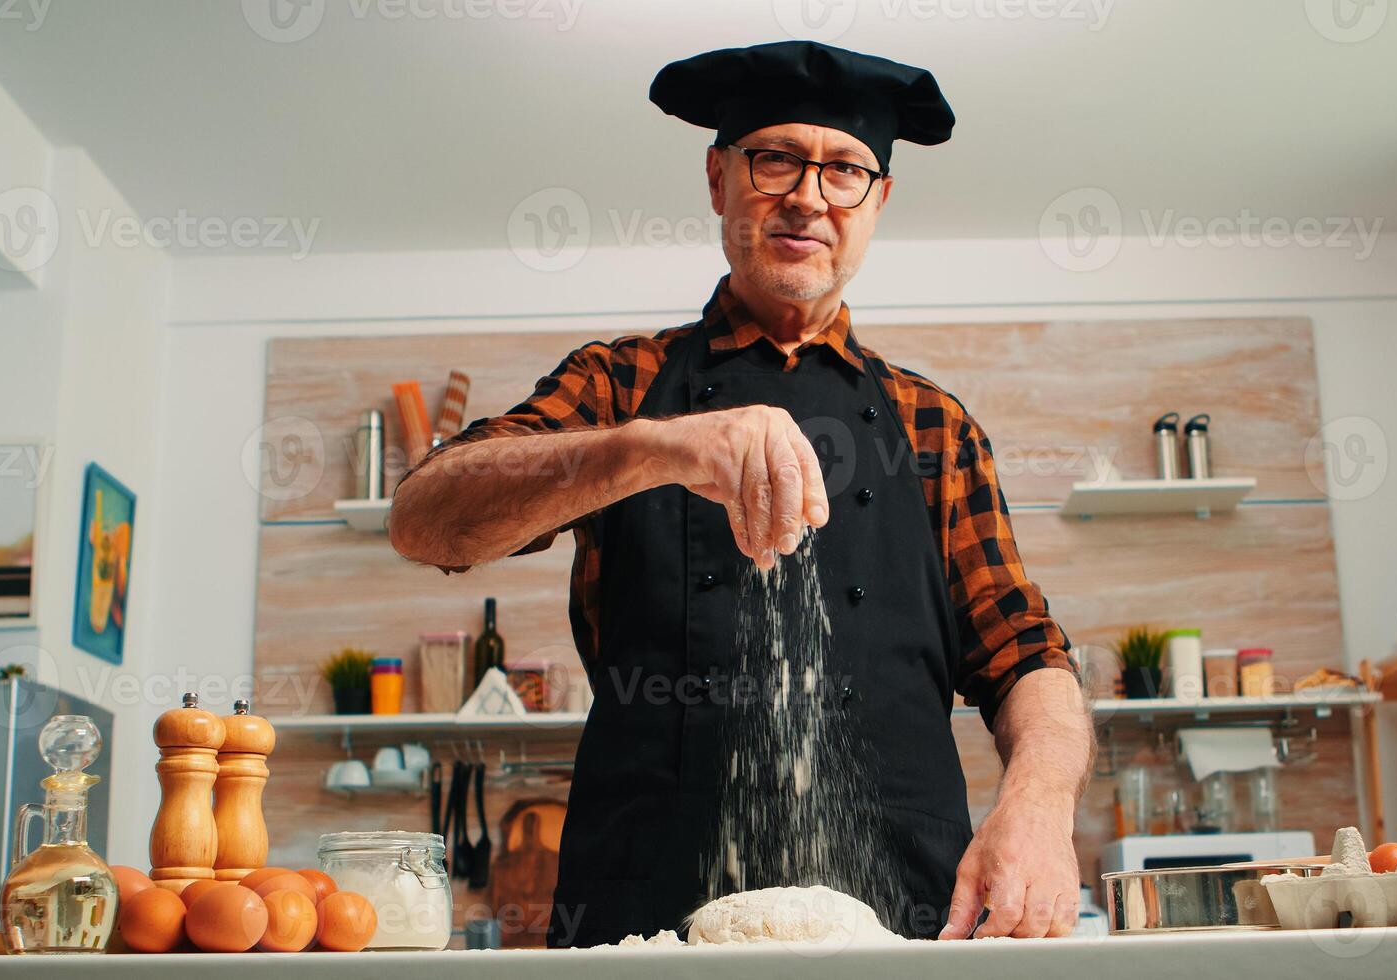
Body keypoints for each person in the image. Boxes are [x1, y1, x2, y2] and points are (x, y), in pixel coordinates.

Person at [390, 40, 1092, 946]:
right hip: (643, 919)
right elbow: (426, 520)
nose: (808, 194)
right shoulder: (620, 383)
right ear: (719, 179)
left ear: (877, 202)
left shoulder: (934, 426)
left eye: (843, 169)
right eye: (775, 160)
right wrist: (649, 448)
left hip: (911, 917)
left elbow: (1024, 652)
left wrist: (1037, 808)